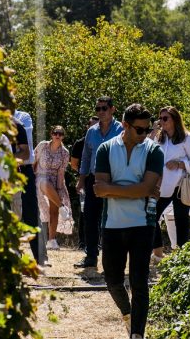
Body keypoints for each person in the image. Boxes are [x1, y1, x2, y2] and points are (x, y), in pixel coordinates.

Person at [93, 104, 163, 339]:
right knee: (112, 281)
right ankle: (127, 314)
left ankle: (137, 334)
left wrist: (112, 189)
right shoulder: (105, 149)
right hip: (112, 224)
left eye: (147, 129)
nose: (145, 134)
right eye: (139, 129)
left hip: (143, 224)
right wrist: (138, 190)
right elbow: (98, 190)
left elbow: (145, 187)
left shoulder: (154, 151)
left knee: (139, 282)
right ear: (125, 125)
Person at [76, 96, 123, 269]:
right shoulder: (91, 131)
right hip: (93, 179)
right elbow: (86, 157)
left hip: (114, 180)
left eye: (104, 108)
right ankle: (91, 256)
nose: (101, 112)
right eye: (98, 109)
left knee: (111, 219)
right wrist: (81, 179)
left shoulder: (121, 130)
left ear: (112, 109)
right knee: (90, 218)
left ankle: (111, 258)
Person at [151, 106, 190, 261]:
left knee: (181, 221)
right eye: (160, 118)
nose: (162, 121)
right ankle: (158, 252)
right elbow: (150, 153)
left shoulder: (186, 137)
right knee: (150, 216)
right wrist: (153, 133)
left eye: (165, 118)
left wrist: (179, 164)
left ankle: (182, 258)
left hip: (180, 186)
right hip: (162, 186)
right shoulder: (159, 137)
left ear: (174, 119)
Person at [34, 125, 72, 250]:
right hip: (40, 177)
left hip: (55, 180)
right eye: (55, 133)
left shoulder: (65, 153)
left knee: (54, 210)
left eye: (60, 134)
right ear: (51, 134)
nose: (57, 135)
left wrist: (60, 189)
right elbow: (34, 162)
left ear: (63, 137)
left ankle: (51, 240)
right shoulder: (42, 145)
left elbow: (61, 173)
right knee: (44, 182)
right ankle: (62, 207)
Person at [13, 110, 41, 264]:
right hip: (6, 171)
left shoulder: (23, 117)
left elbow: (26, 143)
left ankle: (39, 256)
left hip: (24, 170)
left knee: (30, 213)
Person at [69, 115, 98, 250]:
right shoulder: (80, 143)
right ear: (87, 127)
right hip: (85, 180)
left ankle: (97, 242)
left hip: (100, 179)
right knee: (84, 210)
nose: (95, 127)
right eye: (92, 125)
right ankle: (82, 242)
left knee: (99, 211)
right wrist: (83, 174)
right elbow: (74, 164)